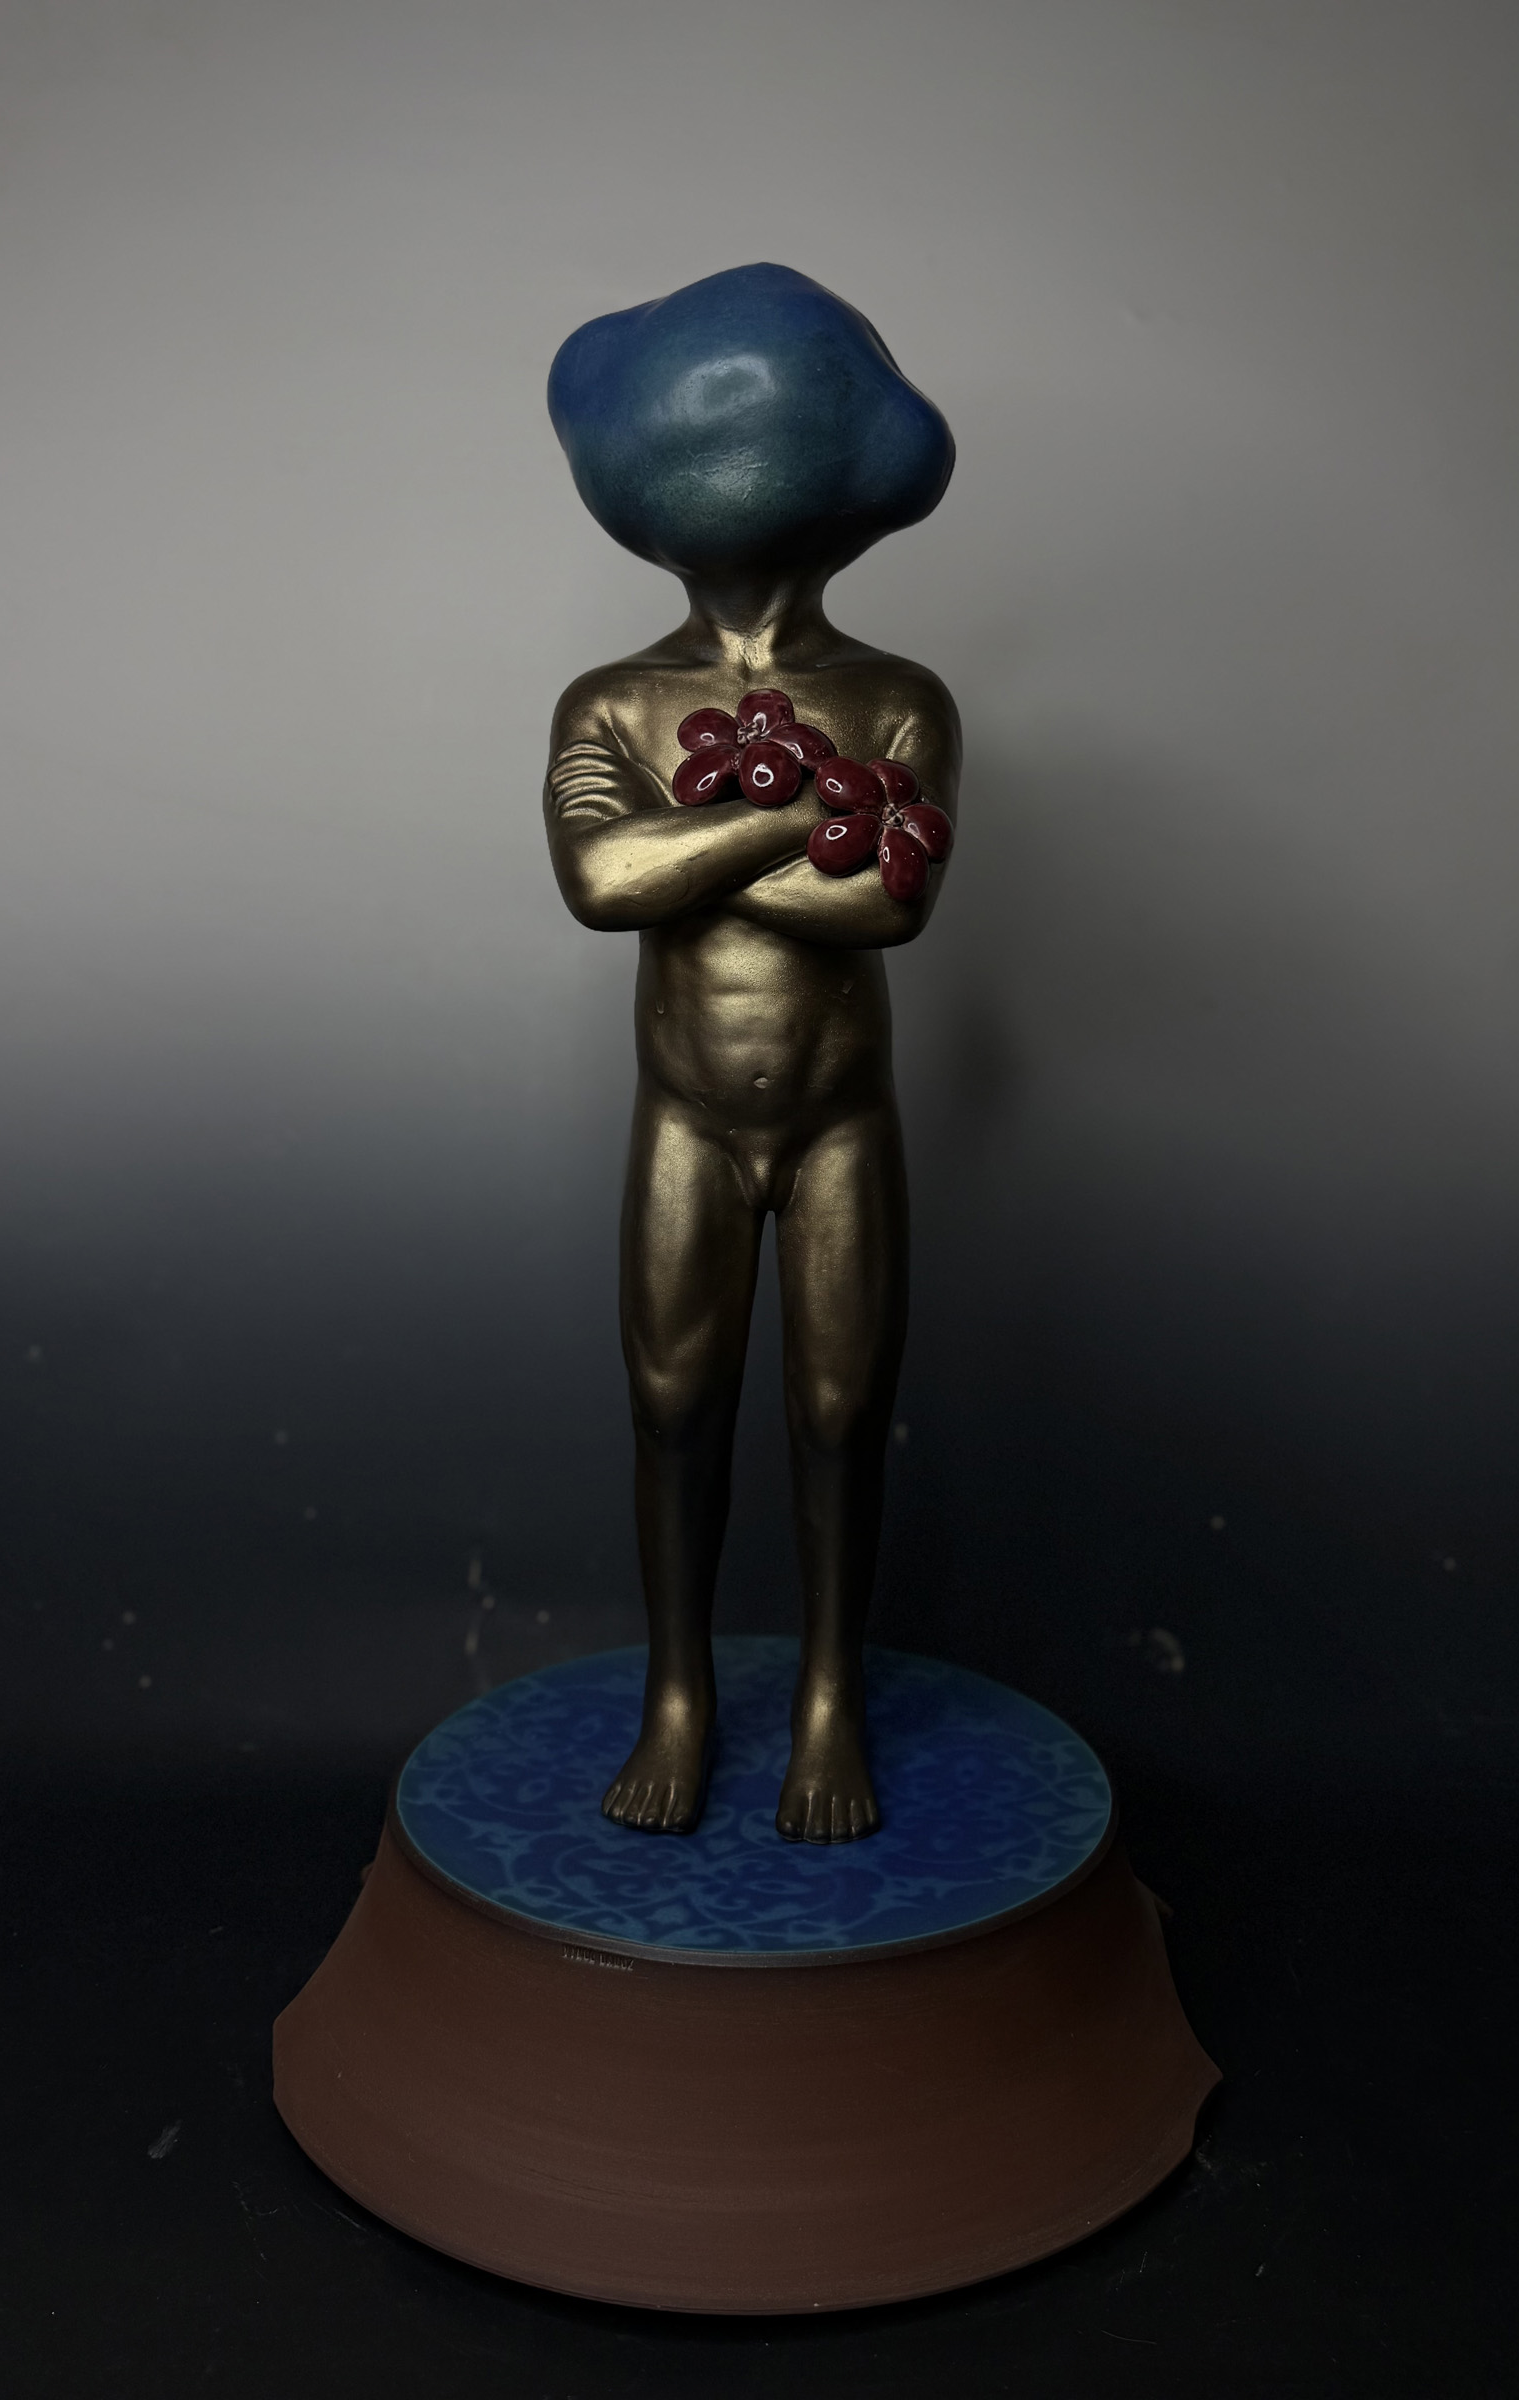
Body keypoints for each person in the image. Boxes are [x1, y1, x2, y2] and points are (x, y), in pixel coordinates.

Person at [542, 265, 958, 1842]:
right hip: (684, 1122)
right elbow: (601, 883)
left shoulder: (898, 697)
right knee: (673, 1407)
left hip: (845, 1118)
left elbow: (892, 910)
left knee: (843, 1415)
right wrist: (804, 815)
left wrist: (700, 840)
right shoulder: (614, 700)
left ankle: (831, 1695)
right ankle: (681, 1692)